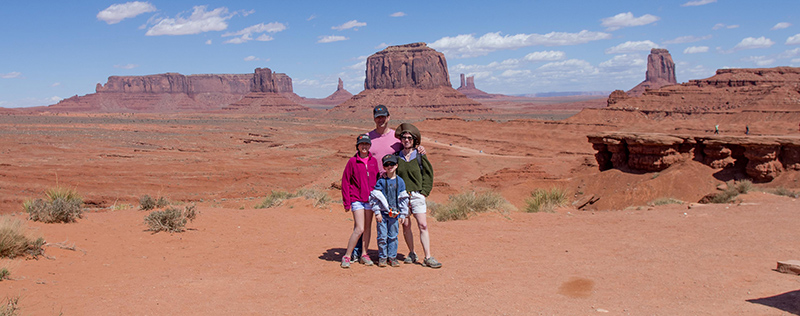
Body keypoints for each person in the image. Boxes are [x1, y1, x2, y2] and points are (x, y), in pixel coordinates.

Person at [351, 105, 426, 261]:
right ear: (373, 118)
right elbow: (358, 159)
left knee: (388, 221)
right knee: (366, 220)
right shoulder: (367, 137)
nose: (381, 120)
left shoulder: (396, 138)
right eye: (378, 117)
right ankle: (361, 252)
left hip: (391, 187)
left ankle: (387, 255)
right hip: (371, 184)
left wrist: (420, 149)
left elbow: (408, 148)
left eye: (383, 117)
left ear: (388, 117)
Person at [394, 123, 442, 269]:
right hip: (402, 197)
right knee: (406, 226)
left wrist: (424, 192)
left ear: (415, 140)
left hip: (416, 195)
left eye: (409, 138)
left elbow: (428, 174)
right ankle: (412, 253)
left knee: (423, 225)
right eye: (404, 137)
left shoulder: (420, 155)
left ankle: (427, 257)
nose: (406, 140)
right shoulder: (397, 157)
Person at [340, 134, 379, 268]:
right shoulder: (352, 161)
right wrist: (346, 202)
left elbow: (377, 180)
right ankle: (347, 255)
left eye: (366, 144)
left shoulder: (374, 161)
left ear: (369, 146)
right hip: (357, 199)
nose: (364, 146)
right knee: (359, 228)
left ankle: (364, 254)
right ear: (357, 146)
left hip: (370, 200)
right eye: (362, 144)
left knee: (367, 228)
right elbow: (345, 181)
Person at [369, 154, 409, 267]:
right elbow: (375, 197)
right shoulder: (381, 181)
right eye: (387, 165)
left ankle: (392, 257)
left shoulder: (400, 182)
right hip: (382, 214)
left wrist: (403, 214)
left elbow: (403, 199)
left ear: (396, 165)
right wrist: (377, 212)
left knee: (393, 236)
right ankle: (382, 257)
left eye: (392, 164)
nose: (389, 166)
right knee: (382, 236)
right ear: (384, 167)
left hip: (395, 215)